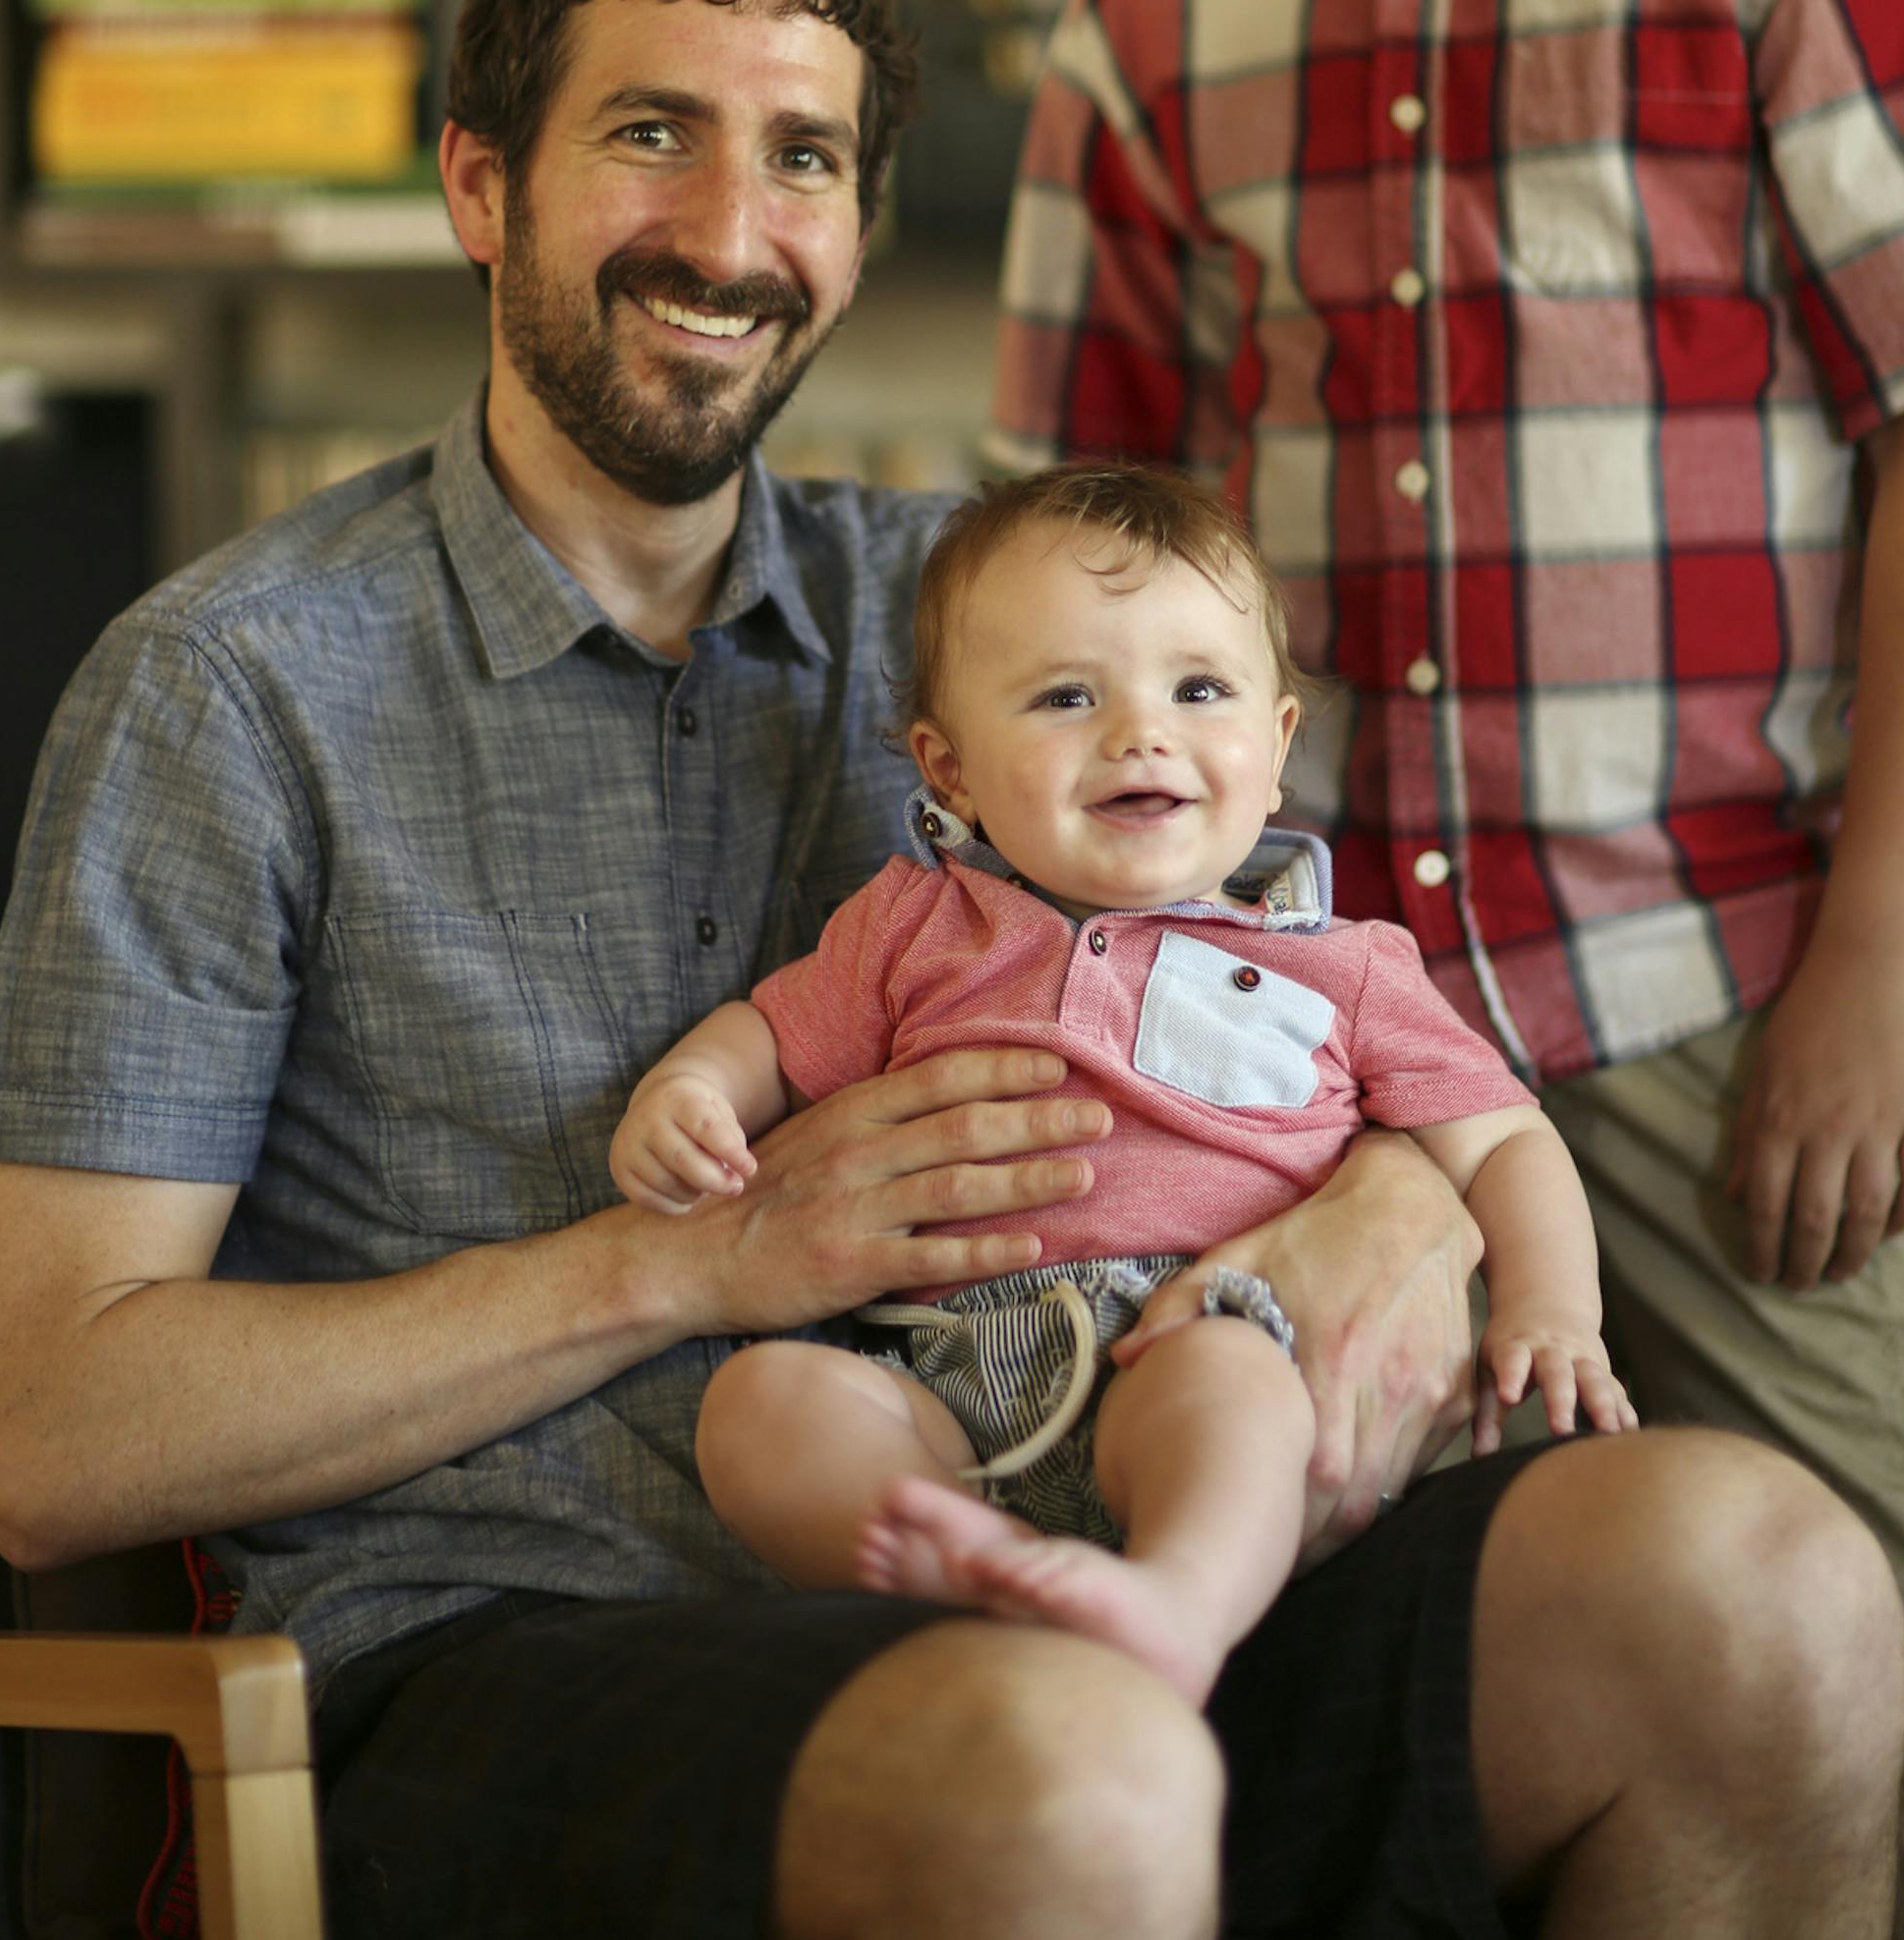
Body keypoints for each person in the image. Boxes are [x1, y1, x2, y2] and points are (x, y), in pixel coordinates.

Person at [0, 0, 1904, 1940]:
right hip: (507, 1650)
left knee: (1762, 1588)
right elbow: (51, 1430)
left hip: (1099, 1527)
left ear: (863, 229)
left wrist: (1402, 1197)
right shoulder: (231, 685)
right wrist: (684, 1265)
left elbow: (1338, 1001)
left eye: (801, 156)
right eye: (647, 133)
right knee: (1068, 1762)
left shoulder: (995, 622)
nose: (728, 229)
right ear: (480, 186)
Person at [987, 0, 1904, 1940]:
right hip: (1309, 1036)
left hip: (1745, 990)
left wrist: (1878, 956)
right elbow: (1072, 552)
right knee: (1402, 1722)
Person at [616, 461, 1636, 1710]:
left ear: (1274, 752)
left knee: (1233, 1389)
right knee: (761, 1403)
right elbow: (769, 1037)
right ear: (949, 771)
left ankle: (1179, 1608)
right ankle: (971, 1569)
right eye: (1064, 696)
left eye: (1198, 688)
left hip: (1196, 1330)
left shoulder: (1340, 965)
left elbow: (1505, 1143)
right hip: (945, 1373)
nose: (1139, 732)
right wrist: (689, 1094)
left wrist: (1553, 1310)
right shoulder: (912, 926)